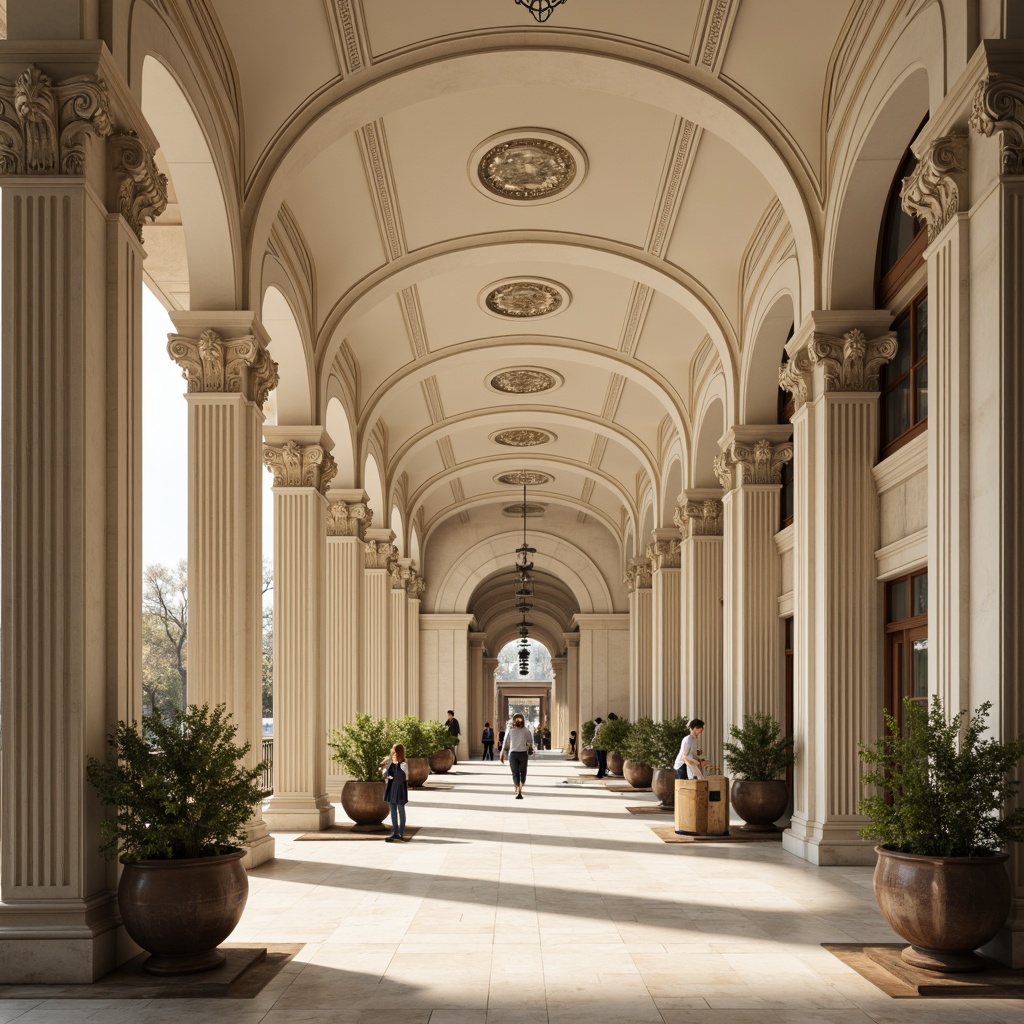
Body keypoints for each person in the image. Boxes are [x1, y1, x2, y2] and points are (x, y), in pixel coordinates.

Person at [499, 712, 534, 799]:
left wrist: (530, 747)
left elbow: (530, 741)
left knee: (522, 772)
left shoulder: (526, 731)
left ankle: (519, 787)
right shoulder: (510, 730)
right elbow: (505, 739)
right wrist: (502, 751)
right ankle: (518, 788)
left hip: (522, 754)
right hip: (514, 754)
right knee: (515, 772)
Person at [381, 743, 409, 841]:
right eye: (392, 751)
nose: (392, 753)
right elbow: (385, 775)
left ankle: (401, 832)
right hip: (391, 788)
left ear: (398, 752)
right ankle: (394, 832)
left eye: (394, 751)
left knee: (401, 810)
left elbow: (406, 778)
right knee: (393, 811)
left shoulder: (403, 765)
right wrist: (386, 771)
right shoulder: (390, 764)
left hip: (400, 789)